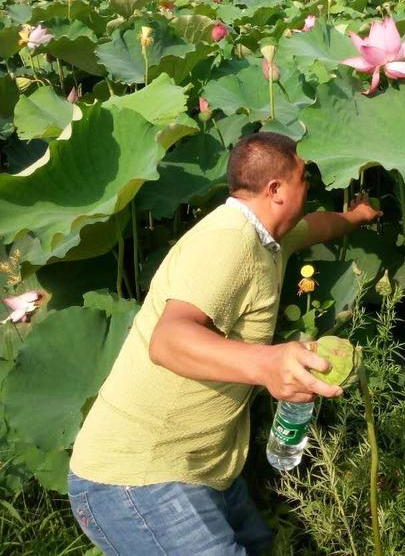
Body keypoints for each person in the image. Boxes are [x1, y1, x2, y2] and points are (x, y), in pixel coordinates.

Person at [67, 131, 381, 555]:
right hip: (136, 477)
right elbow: (169, 340)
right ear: (275, 190)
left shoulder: (267, 238)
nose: (309, 187)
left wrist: (357, 216)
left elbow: (313, 227)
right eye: (302, 178)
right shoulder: (228, 240)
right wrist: (267, 364)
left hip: (201, 469)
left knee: (259, 545)